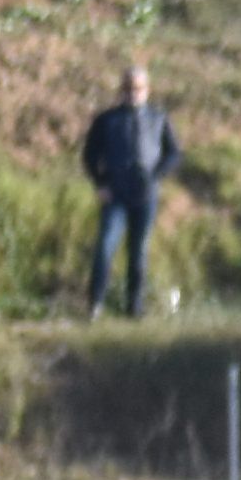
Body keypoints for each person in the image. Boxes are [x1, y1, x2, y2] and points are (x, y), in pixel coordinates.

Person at [78, 64, 174, 316]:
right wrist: (100, 184)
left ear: (147, 90)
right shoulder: (106, 120)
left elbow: (174, 153)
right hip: (115, 195)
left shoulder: (158, 118)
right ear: (121, 90)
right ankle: (95, 304)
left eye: (138, 88)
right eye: (128, 88)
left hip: (145, 195)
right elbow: (89, 155)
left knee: (138, 251)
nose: (133, 93)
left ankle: (134, 307)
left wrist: (157, 175)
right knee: (105, 247)